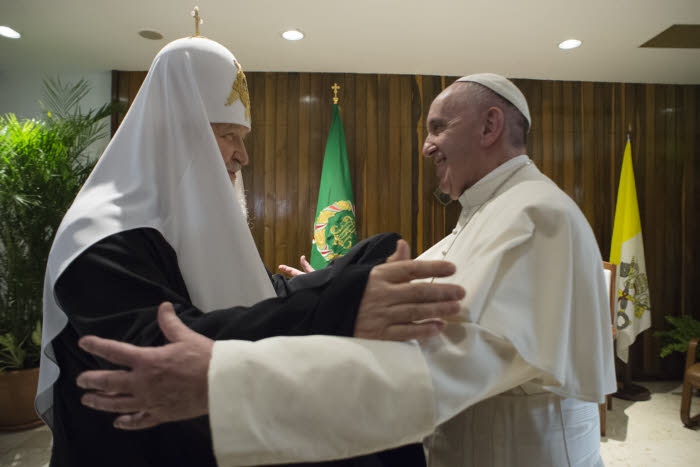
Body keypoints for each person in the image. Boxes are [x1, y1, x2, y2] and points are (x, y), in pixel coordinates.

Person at [77, 74, 617, 467]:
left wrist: (225, 380)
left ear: (490, 125)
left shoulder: (535, 215)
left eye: (436, 127)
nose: (425, 145)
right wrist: (322, 283)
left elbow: (433, 363)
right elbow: (413, 297)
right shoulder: (484, 211)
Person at [36, 35, 466, 467]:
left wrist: (340, 277)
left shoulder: (183, 222)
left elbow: (250, 291)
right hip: (139, 451)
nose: (243, 155)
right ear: (177, 132)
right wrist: (342, 301)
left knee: (381, 249)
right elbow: (170, 351)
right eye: (228, 136)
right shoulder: (100, 235)